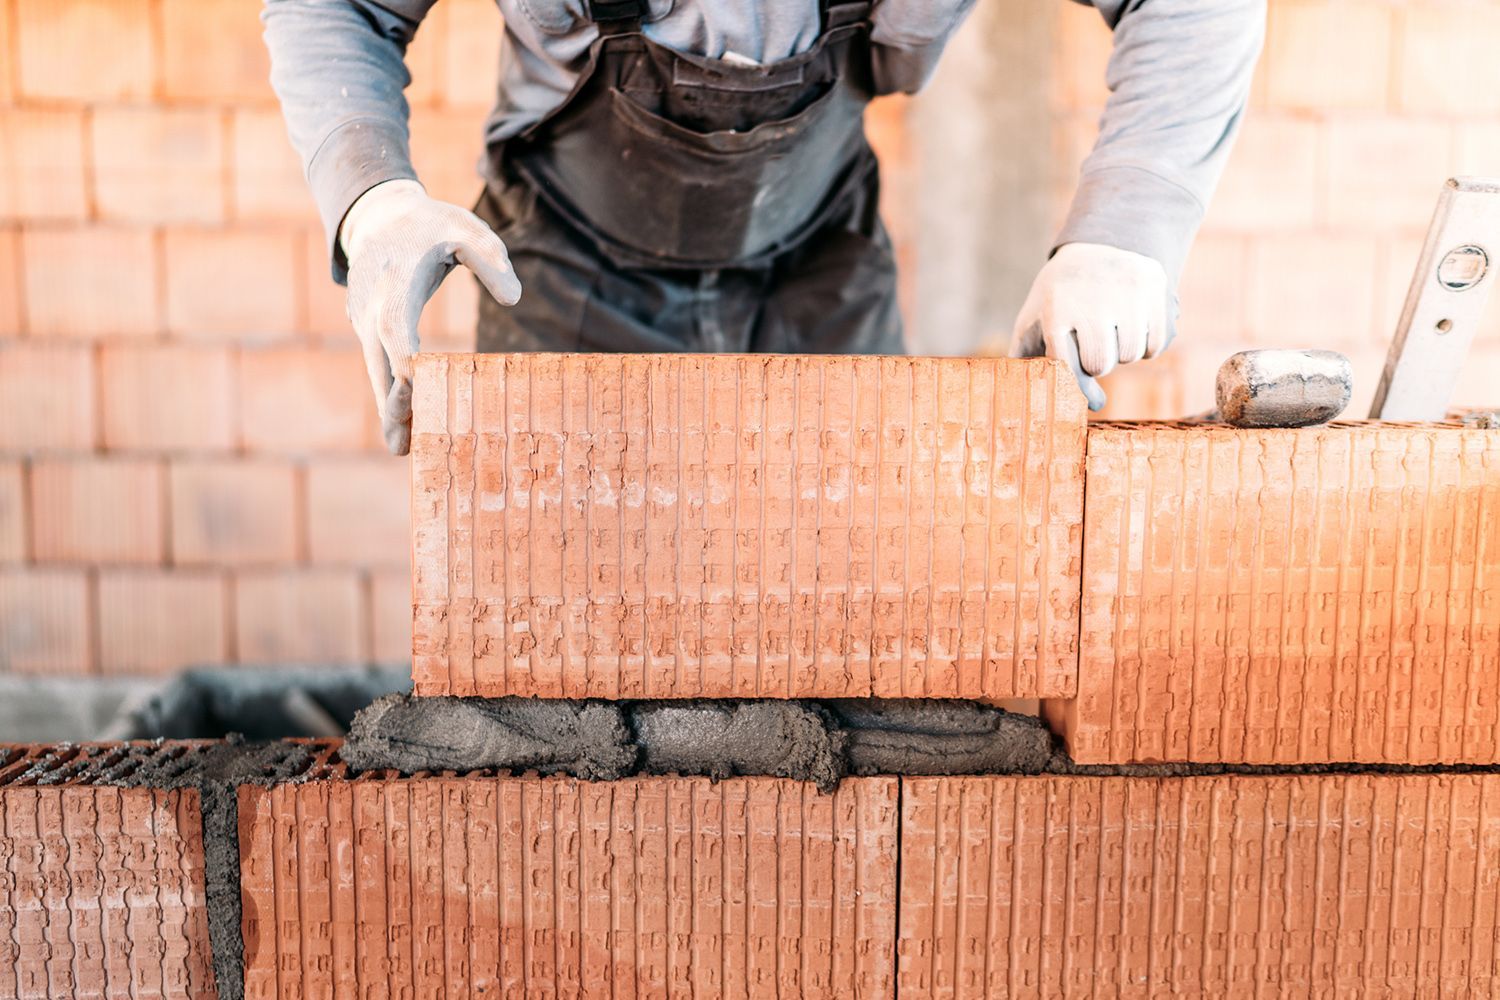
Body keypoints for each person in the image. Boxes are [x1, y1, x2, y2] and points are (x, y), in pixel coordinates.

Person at [263, 0, 1264, 454]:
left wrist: (1125, 227)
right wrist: (373, 198)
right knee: (560, 709)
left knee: (855, 673)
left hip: (820, 271)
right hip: (562, 279)